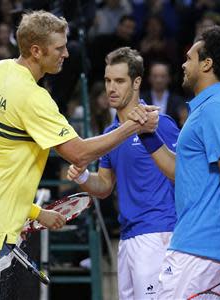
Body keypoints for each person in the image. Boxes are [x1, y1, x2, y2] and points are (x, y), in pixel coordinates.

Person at [0, 10, 158, 288]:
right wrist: (133, 125)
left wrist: (34, 212)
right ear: (36, 51)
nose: (66, 54)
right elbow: (79, 154)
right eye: (59, 48)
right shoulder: (34, 98)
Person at [128, 25, 220, 298]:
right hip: (199, 248)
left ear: (207, 64)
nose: (183, 65)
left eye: (189, 59)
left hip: (202, 251)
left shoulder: (217, 108)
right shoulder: (208, 109)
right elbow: (178, 172)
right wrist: (148, 135)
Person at [67, 47, 179, 300]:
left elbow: (184, 174)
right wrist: (83, 176)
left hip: (157, 235)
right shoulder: (111, 133)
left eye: (119, 81)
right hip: (128, 238)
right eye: (108, 80)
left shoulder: (161, 123)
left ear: (137, 82)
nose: (111, 88)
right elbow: (105, 186)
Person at [142, 62, 187, 128]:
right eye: (155, 76)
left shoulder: (178, 102)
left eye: (163, 76)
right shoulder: (141, 100)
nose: (159, 80)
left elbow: (182, 124)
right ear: (149, 78)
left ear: (169, 78)